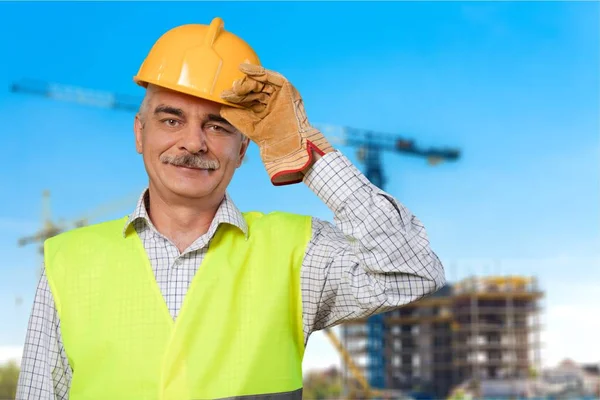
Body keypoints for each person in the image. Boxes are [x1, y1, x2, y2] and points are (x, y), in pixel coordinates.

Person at [16, 17, 446, 400]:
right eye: (171, 120)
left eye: (218, 126)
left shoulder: (298, 253)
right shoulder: (66, 261)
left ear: (243, 149)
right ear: (139, 134)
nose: (193, 142)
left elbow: (413, 270)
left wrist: (306, 152)